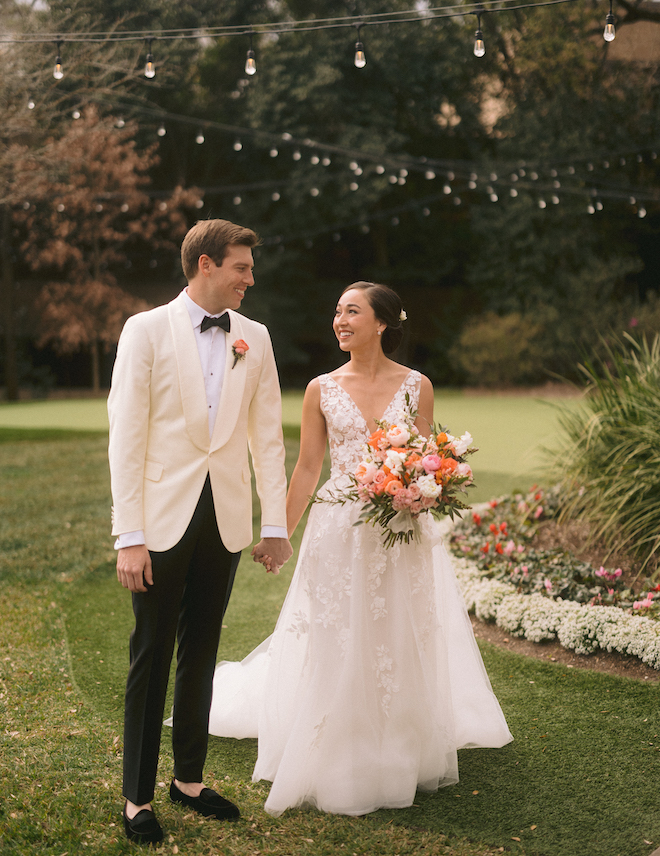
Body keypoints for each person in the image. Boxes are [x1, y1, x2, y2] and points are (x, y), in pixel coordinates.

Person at [207, 280, 513, 817]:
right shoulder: (319, 388)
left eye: (352, 311)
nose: (339, 320)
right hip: (337, 527)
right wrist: (279, 531)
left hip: (401, 528)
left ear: (383, 323)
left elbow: (426, 457)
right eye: (337, 312)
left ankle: (398, 737)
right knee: (338, 627)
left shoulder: (418, 385)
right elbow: (307, 467)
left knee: (398, 625)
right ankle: (338, 733)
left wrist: (426, 489)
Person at [107, 218, 292, 844]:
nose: (249, 278)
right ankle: (136, 797)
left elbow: (267, 435)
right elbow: (125, 438)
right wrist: (128, 535)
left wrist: (273, 524)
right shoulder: (146, 330)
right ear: (206, 265)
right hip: (159, 517)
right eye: (241, 266)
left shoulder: (256, 338)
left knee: (203, 646)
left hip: (226, 516)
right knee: (152, 647)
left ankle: (187, 779)